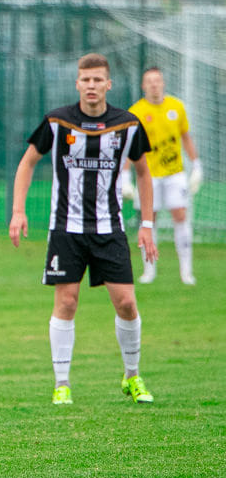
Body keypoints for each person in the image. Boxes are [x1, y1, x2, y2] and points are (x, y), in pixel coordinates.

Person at [8, 53, 159, 406]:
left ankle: (132, 376)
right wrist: (18, 211)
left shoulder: (128, 124)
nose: (91, 86)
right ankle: (62, 383)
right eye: (85, 80)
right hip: (66, 228)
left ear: (108, 84)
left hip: (111, 228)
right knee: (67, 301)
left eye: (98, 80)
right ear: (77, 83)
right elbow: (28, 162)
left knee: (125, 302)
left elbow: (144, 172)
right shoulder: (58, 121)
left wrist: (147, 224)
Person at [122, 67, 202, 285]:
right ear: (143, 85)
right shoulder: (136, 111)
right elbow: (132, 146)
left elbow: (185, 137)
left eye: (157, 80)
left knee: (180, 215)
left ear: (163, 83)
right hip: (147, 176)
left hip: (174, 173)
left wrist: (196, 164)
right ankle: (149, 270)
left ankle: (186, 271)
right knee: (149, 219)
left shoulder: (176, 106)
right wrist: (125, 174)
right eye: (149, 81)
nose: (154, 85)